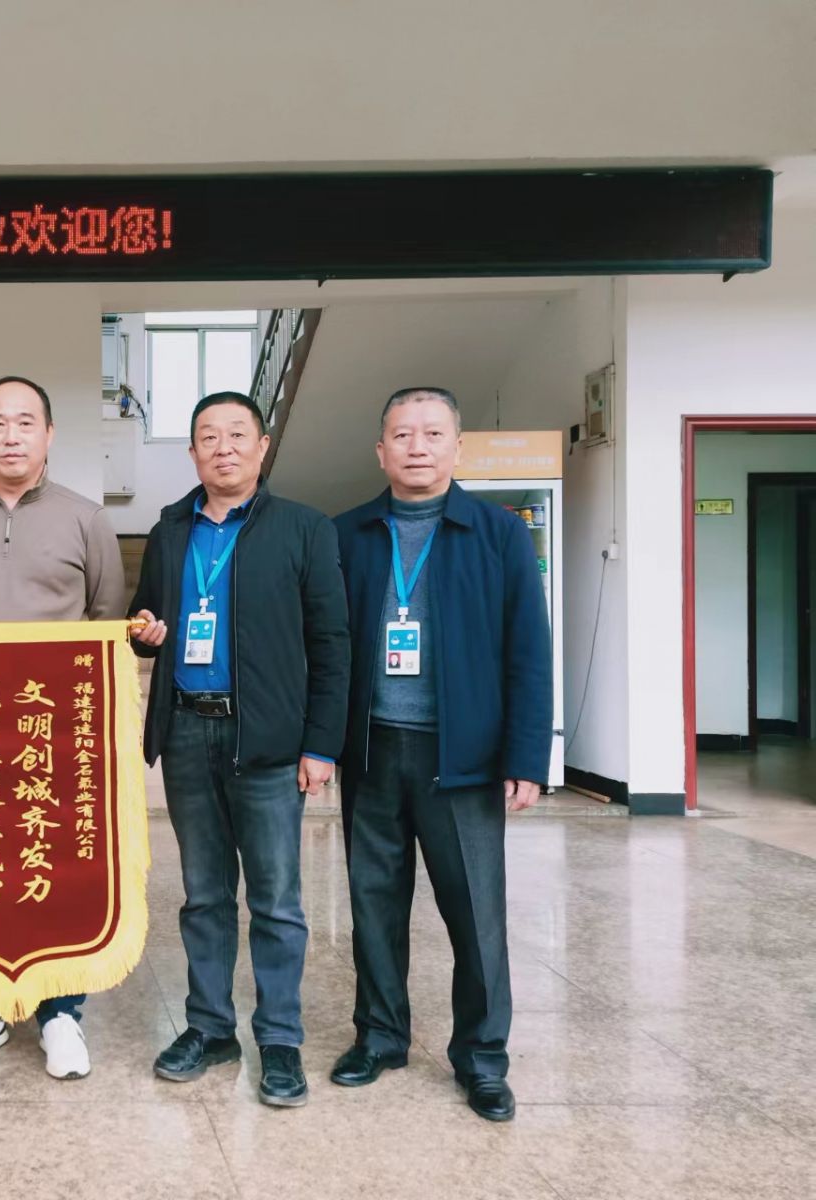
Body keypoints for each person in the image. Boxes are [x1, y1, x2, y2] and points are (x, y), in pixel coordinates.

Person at [329, 387, 551, 1123]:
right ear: (380, 451)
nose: (416, 446)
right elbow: (326, 647)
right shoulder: (349, 534)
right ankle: (380, 1037)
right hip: (371, 751)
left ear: (458, 447)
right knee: (373, 904)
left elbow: (529, 650)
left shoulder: (497, 534)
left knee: (475, 915)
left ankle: (482, 1058)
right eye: (401, 434)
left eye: (431, 433)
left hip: (463, 758)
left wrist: (527, 756)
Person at [128, 391, 349, 1108]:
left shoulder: (303, 528)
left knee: (277, 900)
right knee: (204, 896)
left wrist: (321, 744)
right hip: (187, 731)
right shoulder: (169, 530)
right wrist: (144, 631)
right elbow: (144, 620)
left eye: (236, 435)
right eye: (207, 437)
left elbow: (331, 643)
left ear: (261, 447)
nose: (222, 448)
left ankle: (279, 1038)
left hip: (269, 740)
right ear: (192, 452)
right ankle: (209, 1027)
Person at [0, 374, 125, 1080]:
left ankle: (60, 1012)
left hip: (58, 733)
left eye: (25, 422)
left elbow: (106, 621)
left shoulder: (86, 518)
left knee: (57, 867)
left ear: (49, 434)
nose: (11, 436)